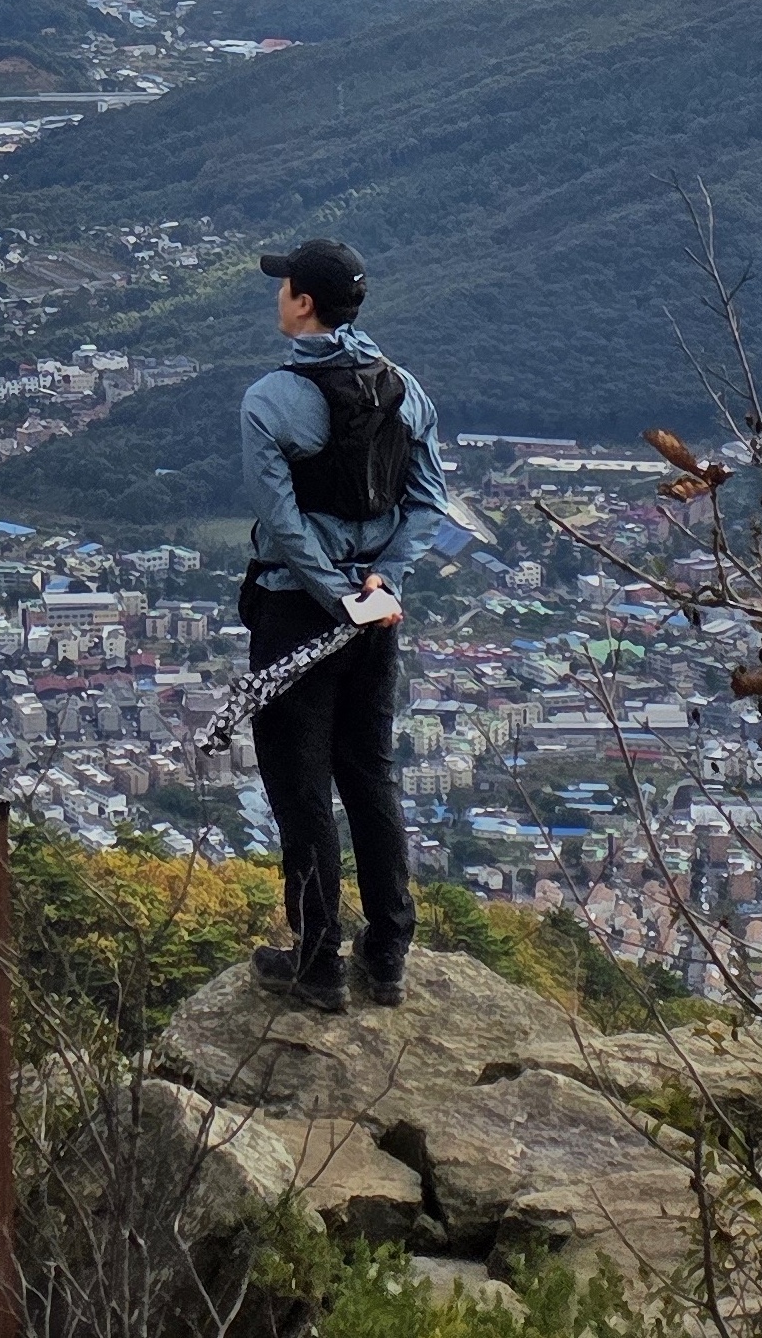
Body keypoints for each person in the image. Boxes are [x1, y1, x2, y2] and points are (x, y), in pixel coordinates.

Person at [238, 237, 449, 1013]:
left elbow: (281, 520)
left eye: (284, 284)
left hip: (299, 609)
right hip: (376, 610)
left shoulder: (270, 400)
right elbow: (429, 499)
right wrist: (382, 578)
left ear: (302, 302)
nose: (278, 294)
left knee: (300, 784)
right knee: (370, 771)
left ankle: (318, 962)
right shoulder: (404, 388)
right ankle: (387, 951)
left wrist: (332, 592)